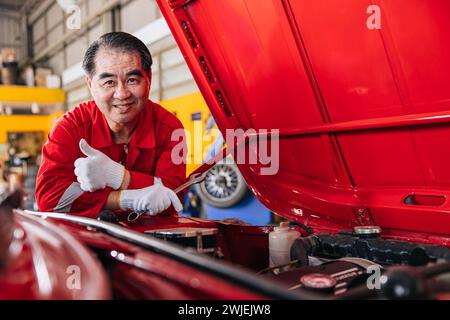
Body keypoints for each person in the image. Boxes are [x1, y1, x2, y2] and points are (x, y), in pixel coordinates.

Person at [36, 32, 186, 218]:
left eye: (132, 80)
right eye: (109, 82)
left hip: (152, 239)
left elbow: (175, 198)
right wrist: (124, 198)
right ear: (90, 84)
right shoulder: (69, 127)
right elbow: (50, 200)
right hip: (87, 240)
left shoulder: (170, 128)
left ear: (149, 78)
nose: (122, 94)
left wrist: (118, 177)